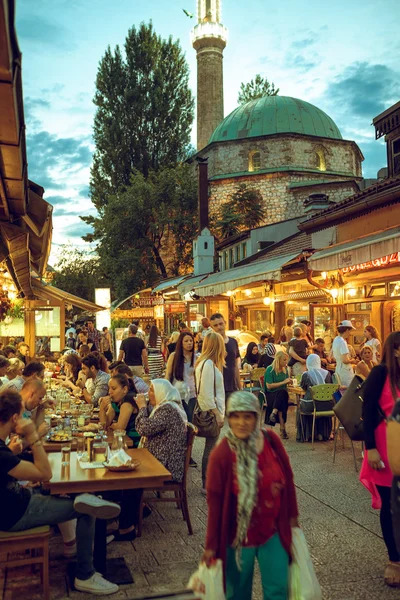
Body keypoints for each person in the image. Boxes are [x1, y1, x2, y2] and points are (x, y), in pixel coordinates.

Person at [0, 388, 121, 595]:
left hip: (15, 500)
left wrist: (25, 482)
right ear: (14, 418)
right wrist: (33, 435)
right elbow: (45, 473)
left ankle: (87, 499)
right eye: (22, 416)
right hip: (14, 514)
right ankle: (85, 575)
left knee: (62, 493)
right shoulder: (2, 452)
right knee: (86, 509)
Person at [202, 390, 299, 600]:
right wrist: (211, 545)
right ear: (228, 418)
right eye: (235, 416)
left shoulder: (271, 440)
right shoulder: (222, 454)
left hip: (272, 529)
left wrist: (293, 517)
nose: (241, 422)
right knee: (237, 593)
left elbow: (288, 479)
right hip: (236, 536)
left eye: (247, 416)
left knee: (278, 590)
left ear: (256, 416)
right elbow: (215, 504)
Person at [359, 331, 400, 587]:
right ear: (395, 350)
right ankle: (394, 559)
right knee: (391, 504)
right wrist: (370, 448)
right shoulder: (380, 373)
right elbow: (366, 409)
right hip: (387, 445)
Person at [136, 379, 187, 482]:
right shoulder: (163, 407)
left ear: (161, 392)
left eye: (151, 390)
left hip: (166, 466)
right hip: (158, 459)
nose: (147, 394)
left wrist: (142, 407)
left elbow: (143, 429)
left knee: (131, 473)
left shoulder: (168, 409)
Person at [195, 332, 225, 493]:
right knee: (211, 449)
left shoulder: (204, 363)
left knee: (212, 448)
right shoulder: (207, 364)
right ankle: (207, 484)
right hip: (211, 413)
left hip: (210, 410)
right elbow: (206, 393)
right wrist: (218, 414)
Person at [297, 354, 333, 442]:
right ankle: (322, 433)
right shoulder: (327, 373)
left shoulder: (306, 375)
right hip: (327, 405)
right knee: (320, 405)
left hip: (311, 404)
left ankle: (307, 434)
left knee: (301, 406)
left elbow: (303, 387)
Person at [99, 373, 140, 444]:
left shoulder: (128, 399)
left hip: (133, 441)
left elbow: (120, 428)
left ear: (124, 389)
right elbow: (105, 425)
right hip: (122, 439)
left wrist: (113, 425)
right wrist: (102, 408)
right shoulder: (116, 401)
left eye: (113, 388)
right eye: (109, 388)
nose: (109, 392)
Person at [166, 332, 197, 422]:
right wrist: (166, 391)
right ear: (181, 343)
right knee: (178, 421)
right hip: (176, 393)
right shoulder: (174, 356)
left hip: (191, 393)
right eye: (186, 341)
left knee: (190, 420)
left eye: (191, 341)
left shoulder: (196, 357)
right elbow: (168, 374)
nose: (189, 343)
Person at [210, 313, 241, 403]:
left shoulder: (233, 342)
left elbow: (235, 366)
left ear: (225, 323)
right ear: (212, 328)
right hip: (216, 388)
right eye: (215, 325)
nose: (219, 327)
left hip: (232, 387)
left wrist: (239, 387)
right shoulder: (211, 344)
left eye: (221, 324)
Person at [264, 351, 290, 439]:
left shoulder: (284, 369)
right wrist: (283, 382)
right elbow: (269, 386)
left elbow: (285, 384)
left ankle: (274, 413)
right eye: (284, 360)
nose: (286, 362)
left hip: (281, 396)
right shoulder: (270, 369)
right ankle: (283, 430)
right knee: (282, 396)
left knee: (282, 395)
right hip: (271, 394)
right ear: (278, 360)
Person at [332, 320, 358, 387]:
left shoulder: (336, 339)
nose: (350, 333)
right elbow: (345, 360)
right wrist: (353, 361)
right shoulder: (342, 342)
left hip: (338, 368)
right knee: (347, 391)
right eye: (350, 331)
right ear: (346, 330)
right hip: (345, 371)